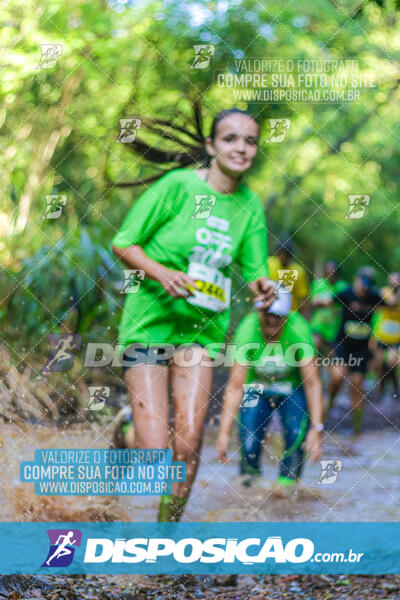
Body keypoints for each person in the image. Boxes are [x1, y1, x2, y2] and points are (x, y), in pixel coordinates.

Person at [111, 107, 276, 521]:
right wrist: (163, 273)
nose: (241, 148)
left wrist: (262, 286)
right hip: (151, 320)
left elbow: (254, 267)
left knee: (188, 443)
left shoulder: (249, 205)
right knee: (156, 452)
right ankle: (127, 431)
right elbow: (124, 243)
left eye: (250, 141)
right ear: (211, 146)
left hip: (201, 329)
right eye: (230, 139)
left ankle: (166, 536)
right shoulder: (179, 185)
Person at [216, 287, 323, 489]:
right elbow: (235, 386)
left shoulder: (299, 328)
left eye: (278, 316)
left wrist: (317, 429)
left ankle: (287, 494)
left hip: (291, 388)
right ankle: (249, 490)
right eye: (268, 314)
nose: (272, 320)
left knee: (295, 438)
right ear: (259, 312)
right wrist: (223, 433)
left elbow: (312, 382)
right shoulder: (247, 330)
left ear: (286, 316)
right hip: (255, 388)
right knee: (249, 444)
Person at [328, 267, 400, 434]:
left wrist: (395, 287)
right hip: (342, 344)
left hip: (361, 347)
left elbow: (392, 304)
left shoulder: (374, 296)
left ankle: (357, 429)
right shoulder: (345, 293)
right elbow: (329, 302)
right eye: (362, 282)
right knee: (337, 378)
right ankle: (326, 410)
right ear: (356, 279)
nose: (364, 287)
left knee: (357, 384)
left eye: (368, 284)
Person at [370, 272, 400, 399]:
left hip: (396, 338)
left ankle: (394, 388)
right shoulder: (384, 292)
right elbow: (391, 303)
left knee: (392, 362)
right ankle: (381, 390)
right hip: (381, 335)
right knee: (380, 364)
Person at [310, 261, 347, 353]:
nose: (331, 274)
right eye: (329, 271)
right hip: (319, 325)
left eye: (333, 271)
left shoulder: (343, 287)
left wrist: (323, 302)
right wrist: (331, 303)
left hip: (335, 327)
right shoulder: (318, 284)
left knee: (332, 356)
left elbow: (344, 307)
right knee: (314, 345)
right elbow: (314, 302)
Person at [267, 239, 309, 314]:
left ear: (291, 255)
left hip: (290, 314)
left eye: (286, 254)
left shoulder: (298, 271)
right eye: (281, 253)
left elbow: (303, 298)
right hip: (269, 312)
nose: (283, 257)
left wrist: (302, 317)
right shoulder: (269, 264)